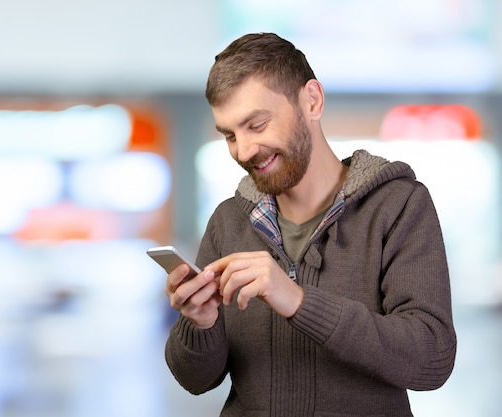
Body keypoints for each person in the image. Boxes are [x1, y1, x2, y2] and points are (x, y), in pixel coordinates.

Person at [164, 33, 456, 417]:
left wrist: (298, 301)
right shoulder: (228, 221)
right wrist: (200, 322)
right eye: (230, 135)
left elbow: (430, 356)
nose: (243, 151)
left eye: (257, 124)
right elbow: (196, 380)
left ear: (312, 101)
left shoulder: (398, 206)